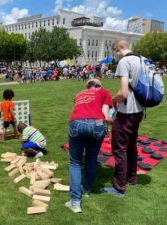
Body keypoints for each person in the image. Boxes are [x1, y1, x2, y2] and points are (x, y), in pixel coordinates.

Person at [102, 37, 144, 196]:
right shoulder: (142, 59)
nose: (116, 56)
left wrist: (114, 99)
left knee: (120, 148)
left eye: (116, 53)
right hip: (139, 110)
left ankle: (119, 186)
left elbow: (124, 92)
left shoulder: (124, 62)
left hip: (127, 111)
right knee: (131, 145)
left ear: (118, 49)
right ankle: (132, 178)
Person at [66, 78, 112, 213]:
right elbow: (105, 114)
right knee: (91, 159)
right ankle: (87, 190)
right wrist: (111, 121)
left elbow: (79, 109)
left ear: (87, 87)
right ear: (99, 86)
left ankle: (75, 202)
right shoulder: (104, 92)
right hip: (97, 124)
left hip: (76, 123)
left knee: (75, 162)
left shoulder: (79, 94)